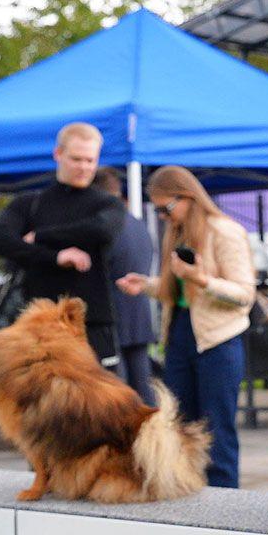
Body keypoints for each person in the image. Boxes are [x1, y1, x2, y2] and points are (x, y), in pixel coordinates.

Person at [116, 166, 256, 489]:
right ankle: (189, 492)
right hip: (180, 336)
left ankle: (224, 501)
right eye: (157, 209)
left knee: (216, 429)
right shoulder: (176, 231)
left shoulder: (223, 231)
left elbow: (244, 294)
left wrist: (201, 279)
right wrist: (148, 285)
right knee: (180, 426)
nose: (163, 216)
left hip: (218, 341)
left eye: (166, 208)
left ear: (188, 197)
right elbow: (177, 293)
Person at [0, 122, 124, 367]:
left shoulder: (107, 204)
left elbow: (102, 230)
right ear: (58, 154)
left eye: (90, 161)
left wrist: (41, 236)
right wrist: (54, 257)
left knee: (98, 402)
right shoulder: (30, 203)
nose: (84, 167)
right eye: (76, 159)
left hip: (91, 324)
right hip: (38, 322)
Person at [94, 168, 158, 406]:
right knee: (143, 390)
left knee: (117, 395)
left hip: (110, 317)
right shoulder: (137, 223)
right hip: (138, 314)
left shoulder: (105, 225)